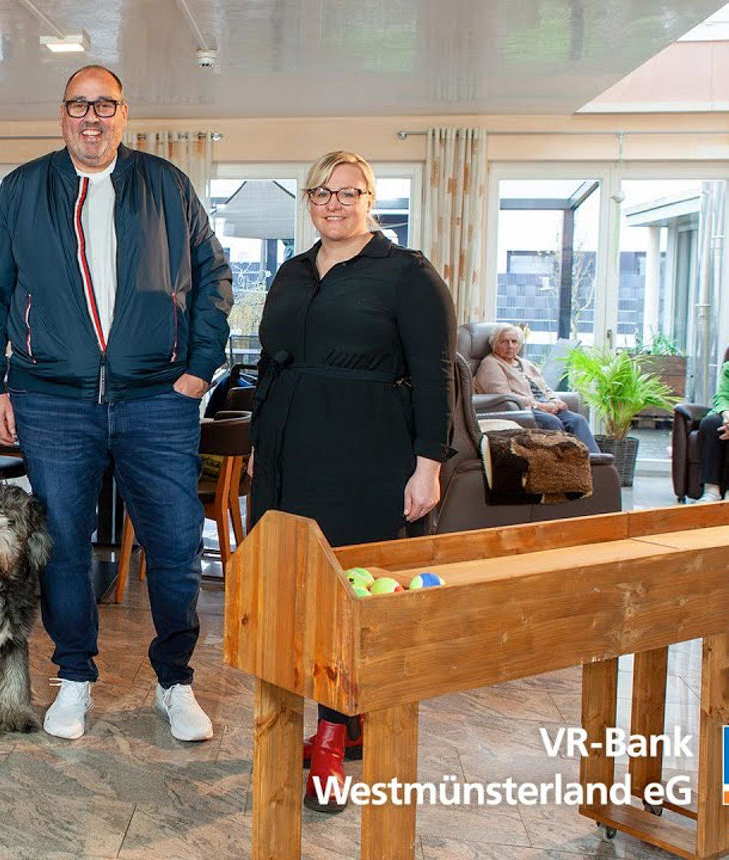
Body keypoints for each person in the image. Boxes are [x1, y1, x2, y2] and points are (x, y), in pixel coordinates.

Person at [0, 65, 233, 743]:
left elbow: (213, 275)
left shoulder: (166, 184)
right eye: (79, 105)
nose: (92, 117)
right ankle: (75, 677)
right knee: (62, 547)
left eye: (104, 105)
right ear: (63, 115)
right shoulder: (24, 188)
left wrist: (199, 367)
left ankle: (174, 681)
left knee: (175, 544)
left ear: (124, 114)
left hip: (157, 398)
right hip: (52, 399)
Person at [249, 150, 454, 813]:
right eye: (321, 192)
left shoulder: (407, 274)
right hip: (287, 452)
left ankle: (334, 736)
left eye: (348, 193)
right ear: (308, 201)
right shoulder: (292, 270)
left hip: (365, 453)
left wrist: (429, 463)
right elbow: (269, 364)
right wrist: (258, 444)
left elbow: (435, 374)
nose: (333, 204)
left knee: (347, 597)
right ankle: (335, 720)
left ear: (371, 200)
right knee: (291, 593)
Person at [474, 324, 600, 453]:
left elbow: (545, 388)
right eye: (504, 342)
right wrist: (538, 405)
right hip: (523, 409)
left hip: (545, 406)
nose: (510, 346)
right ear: (494, 344)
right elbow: (503, 395)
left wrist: (555, 400)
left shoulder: (526, 364)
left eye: (514, 341)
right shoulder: (490, 364)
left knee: (577, 420)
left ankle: (595, 460)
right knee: (551, 421)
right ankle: (563, 461)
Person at [694, 345, 729, 502]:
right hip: (727, 413)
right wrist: (727, 416)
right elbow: (721, 397)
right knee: (710, 423)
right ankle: (711, 490)